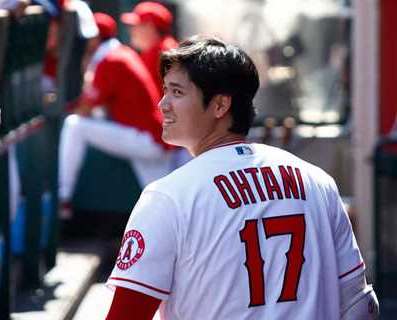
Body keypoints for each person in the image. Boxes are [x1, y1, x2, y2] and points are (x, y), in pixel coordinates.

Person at [105, 36, 379, 320]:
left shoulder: (168, 196)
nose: (162, 104)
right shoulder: (318, 181)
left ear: (221, 105)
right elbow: (360, 306)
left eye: (176, 92)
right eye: (165, 91)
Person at [58, 13, 173, 219]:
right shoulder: (122, 53)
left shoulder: (111, 59)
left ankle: (63, 196)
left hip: (147, 138)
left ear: (95, 39)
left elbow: (84, 109)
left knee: (75, 125)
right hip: (154, 137)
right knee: (166, 205)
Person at [121, 1, 177, 96]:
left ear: (149, 27)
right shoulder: (165, 46)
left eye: (136, 26)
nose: (131, 31)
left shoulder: (159, 52)